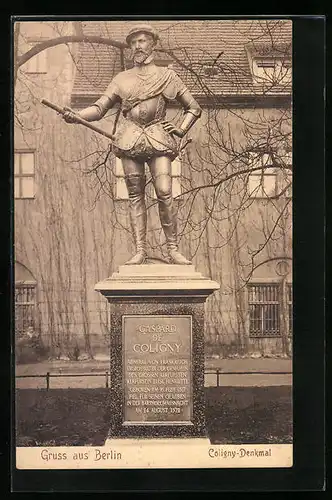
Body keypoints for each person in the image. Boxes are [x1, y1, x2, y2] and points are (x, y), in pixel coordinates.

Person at [64, 24, 202, 265]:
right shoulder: (121, 79)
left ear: (152, 44)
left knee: (165, 191)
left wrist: (180, 129)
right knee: (135, 196)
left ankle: (173, 249)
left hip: (158, 135)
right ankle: (140, 250)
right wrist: (76, 116)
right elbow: (99, 108)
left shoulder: (168, 76)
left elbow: (194, 108)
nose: (138, 46)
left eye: (142, 41)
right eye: (134, 42)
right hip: (130, 138)